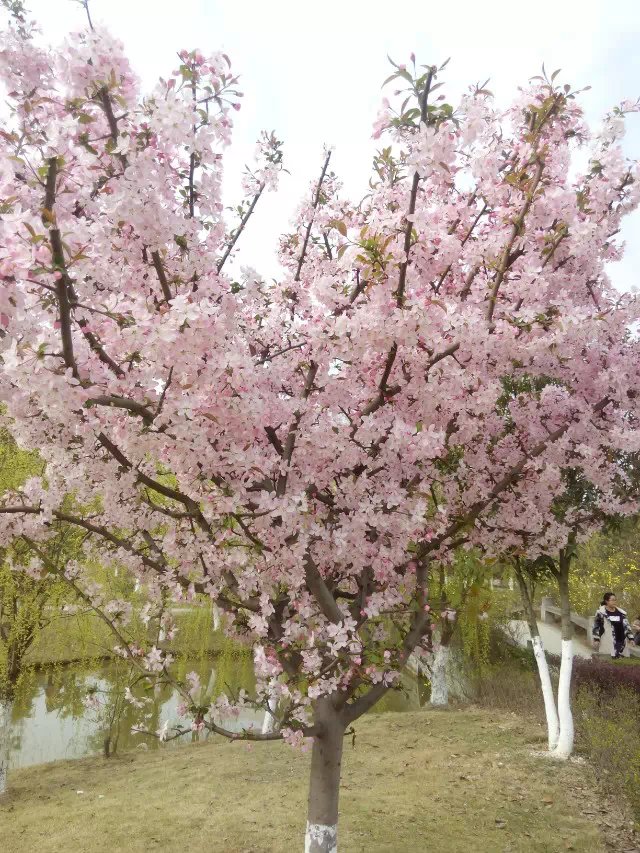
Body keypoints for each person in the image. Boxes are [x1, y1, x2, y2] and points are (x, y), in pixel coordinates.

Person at [592, 592, 635, 658]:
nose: (614, 602)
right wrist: (596, 639)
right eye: (612, 600)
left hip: (621, 641)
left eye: (615, 600)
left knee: (621, 661)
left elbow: (626, 626)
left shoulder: (621, 613)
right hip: (607, 641)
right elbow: (596, 626)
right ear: (606, 601)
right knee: (608, 661)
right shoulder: (601, 613)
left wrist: (631, 638)